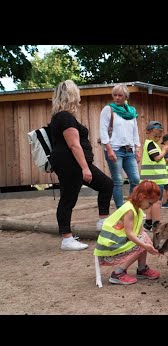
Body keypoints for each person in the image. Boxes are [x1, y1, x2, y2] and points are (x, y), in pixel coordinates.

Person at [49, 80, 113, 251]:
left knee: (105, 185)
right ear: (71, 95)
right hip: (72, 163)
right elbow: (74, 145)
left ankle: (102, 221)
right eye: (77, 93)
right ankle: (67, 239)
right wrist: (85, 167)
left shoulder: (59, 117)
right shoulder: (65, 117)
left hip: (68, 163)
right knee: (69, 198)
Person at [94, 180, 161, 285]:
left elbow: (140, 231)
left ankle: (142, 269)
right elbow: (129, 233)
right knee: (142, 243)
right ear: (142, 198)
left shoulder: (137, 209)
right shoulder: (129, 210)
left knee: (144, 239)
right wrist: (145, 245)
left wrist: (148, 244)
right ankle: (118, 273)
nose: (150, 206)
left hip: (118, 242)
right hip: (109, 247)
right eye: (150, 203)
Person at [100, 84, 141, 209]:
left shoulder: (132, 112)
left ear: (125, 96)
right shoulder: (108, 110)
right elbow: (103, 131)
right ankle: (120, 210)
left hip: (129, 150)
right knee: (117, 181)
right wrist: (109, 149)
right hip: (115, 150)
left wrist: (137, 148)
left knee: (135, 179)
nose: (117, 98)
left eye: (120, 95)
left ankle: (129, 207)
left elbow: (135, 132)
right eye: (115, 95)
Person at [139, 121, 168, 231]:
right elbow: (156, 158)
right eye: (155, 135)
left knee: (150, 201)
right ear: (148, 132)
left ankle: (148, 223)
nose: (157, 138)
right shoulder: (151, 144)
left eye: (159, 136)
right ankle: (156, 224)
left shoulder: (152, 144)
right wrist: (164, 150)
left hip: (151, 179)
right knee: (157, 201)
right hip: (155, 179)